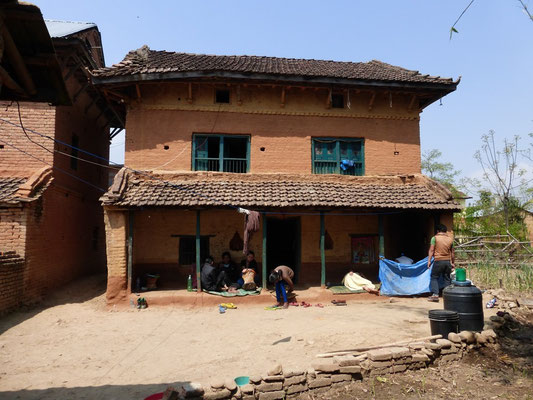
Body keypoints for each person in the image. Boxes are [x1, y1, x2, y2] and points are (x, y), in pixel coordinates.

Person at [427, 223, 455, 302]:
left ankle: (435, 295)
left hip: (438, 261)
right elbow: (452, 252)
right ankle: (446, 295)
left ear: (438, 231)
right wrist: (452, 262)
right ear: (445, 231)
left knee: (434, 277)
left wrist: (429, 261)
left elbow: (432, 250)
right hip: (447, 262)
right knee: (447, 278)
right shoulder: (450, 239)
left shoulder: (434, 238)